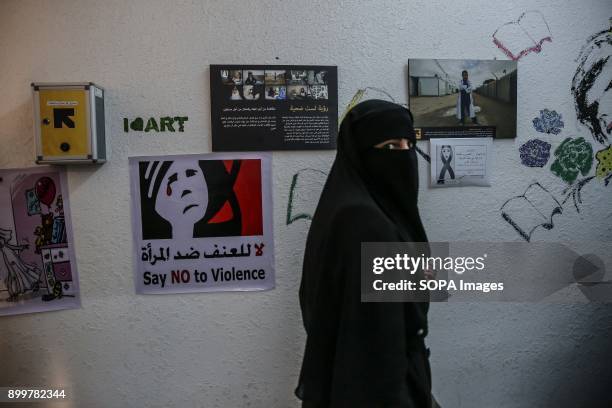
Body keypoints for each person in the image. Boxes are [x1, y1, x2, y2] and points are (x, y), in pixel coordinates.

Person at [296, 100, 433, 407]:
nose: (403, 154)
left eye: (408, 144)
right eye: (390, 145)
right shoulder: (368, 222)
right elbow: (378, 346)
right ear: (362, 152)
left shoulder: (343, 206)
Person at [0, 228, 41, 302]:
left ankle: (33, 284)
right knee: (11, 275)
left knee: (18, 272)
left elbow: (10, 246)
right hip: (4, 260)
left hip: (9, 257)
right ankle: (13, 293)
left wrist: (21, 247)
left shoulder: (2, 242)